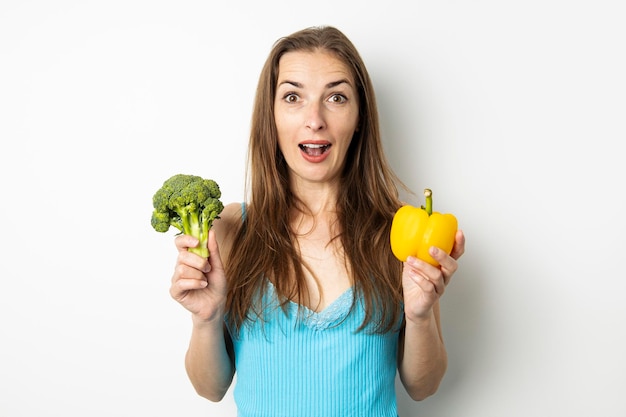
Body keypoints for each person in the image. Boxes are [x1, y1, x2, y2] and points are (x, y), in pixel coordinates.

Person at [169, 25, 465, 417]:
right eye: (293, 97)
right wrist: (206, 319)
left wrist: (420, 315)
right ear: (270, 117)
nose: (314, 120)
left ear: (359, 117)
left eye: (336, 97)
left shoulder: (400, 229)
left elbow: (423, 386)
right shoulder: (230, 227)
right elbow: (210, 388)